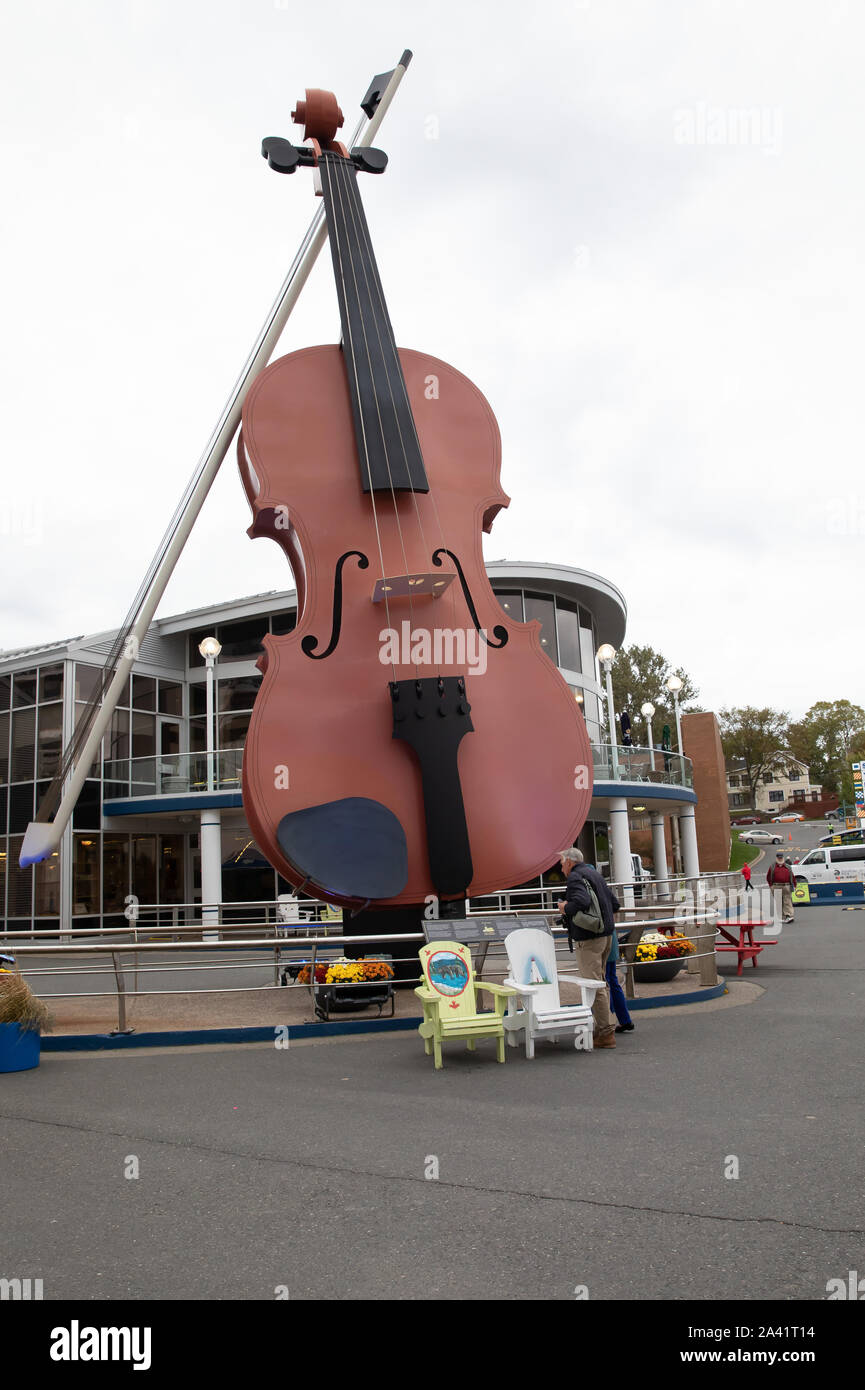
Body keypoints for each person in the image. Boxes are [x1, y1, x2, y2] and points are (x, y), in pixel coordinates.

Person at [557, 847, 619, 1049]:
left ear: (569, 862)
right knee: (601, 982)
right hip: (606, 935)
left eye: (561, 863)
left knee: (593, 984)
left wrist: (565, 907)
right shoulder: (594, 874)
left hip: (590, 939)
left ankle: (605, 1033)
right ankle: (606, 1026)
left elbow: (581, 901)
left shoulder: (575, 877)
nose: (561, 868)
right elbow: (615, 903)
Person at [606, 924, 634, 1033]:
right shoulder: (610, 907)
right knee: (612, 981)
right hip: (611, 938)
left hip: (603, 940)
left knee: (605, 983)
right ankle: (624, 1019)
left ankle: (609, 1020)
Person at [767, 851, 795, 923]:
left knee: (787, 901)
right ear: (776, 858)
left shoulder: (787, 867)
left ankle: (789, 916)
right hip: (776, 886)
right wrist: (771, 886)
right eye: (779, 858)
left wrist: (794, 884)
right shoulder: (772, 867)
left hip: (786, 886)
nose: (780, 859)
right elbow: (768, 877)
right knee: (779, 902)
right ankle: (782, 917)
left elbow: (792, 876)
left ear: (783, 858)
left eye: (781, 858)